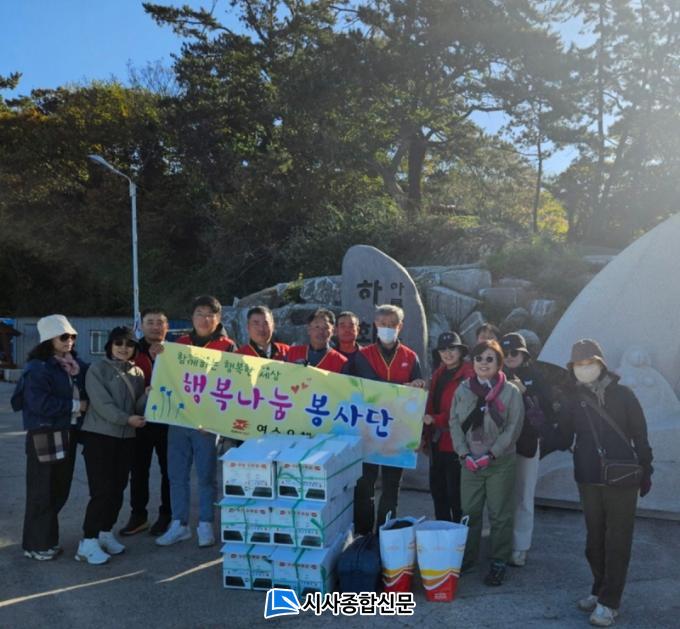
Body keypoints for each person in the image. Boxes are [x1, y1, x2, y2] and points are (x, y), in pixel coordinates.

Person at [545, 339, 653, 627]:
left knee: (618, 539)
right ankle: (599, 588)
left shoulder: (624, 395)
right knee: (594, 540)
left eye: (589, 363)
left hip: (622, 477)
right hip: (588, 477)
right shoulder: (572, 399)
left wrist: (646, 470)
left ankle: (610, 601)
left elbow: (640, 436)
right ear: (572, 368)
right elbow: (563, 438)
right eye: (578, 364)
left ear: (601, 364)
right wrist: (538, 429)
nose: (584, 368)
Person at [157, 295, 236, 548]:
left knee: (206, 476)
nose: (204, 319)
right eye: (199, 313)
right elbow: (167, 377)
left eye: (210, 314)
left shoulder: (228, 347)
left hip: (208, 423)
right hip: (178, 419)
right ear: (192, 317)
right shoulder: (179, 344)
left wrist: (219, 421)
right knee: (177, 475)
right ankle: (179, 524)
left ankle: (205, 524)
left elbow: (234, 386)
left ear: (218, 318)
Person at [449, 339, 524, 586]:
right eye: (479, 358)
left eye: (490, 359)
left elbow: (513, 427)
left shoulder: (511, 392)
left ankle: (499, 561)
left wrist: (491, 455)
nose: (483, 363)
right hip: (469, 462)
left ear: (499, 363)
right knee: (469, 512)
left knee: (499, 514)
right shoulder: (463, 389)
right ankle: (468, 559)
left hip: (499, 462)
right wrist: (463, 454)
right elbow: (453, 422)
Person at [15, 315, 88, 561]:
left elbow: (94, 374)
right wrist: (77, 406)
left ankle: (44, 540)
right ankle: (37, 545)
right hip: (45, 433)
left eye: (72, 336)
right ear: (49, 339)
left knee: (58, 489)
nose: (69, 341)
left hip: (66, 432)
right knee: (42, 491)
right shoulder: (38, 368)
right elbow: (39, 404)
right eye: (63, 337)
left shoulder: (72, 364)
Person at [352, 304, 425, 534]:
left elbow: (418, 394)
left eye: (392, 324)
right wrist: (402, 386)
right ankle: (364, 536)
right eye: (383, 324)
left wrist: (417, 385)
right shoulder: (363, 355)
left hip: (398, 433)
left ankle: (386, 535)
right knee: (365, 487)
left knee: (392, 488)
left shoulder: (410, 357)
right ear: (375, 325)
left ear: (400, 327)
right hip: (368, 431)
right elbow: (357, 386)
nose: (387, 328)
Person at [77, 326, 147, 565]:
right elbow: (102, 404)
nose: (123, 348)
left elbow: (137, 406)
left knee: (118, 488)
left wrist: (149, 394)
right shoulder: (97, 369)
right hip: (100, 437)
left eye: (129, 344)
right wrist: (126, 419)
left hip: (126, 438)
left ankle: (105, 532)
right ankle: (88, 541)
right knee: (102, 490)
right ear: (109, 346)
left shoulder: (137, 372)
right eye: (118, 343)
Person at [500, 332, 552, 568]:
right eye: (505, 353)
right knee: (500, 497)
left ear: (523, 354)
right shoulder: (495, 374)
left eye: (515, 352)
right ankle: (499, 543)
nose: (510, 357)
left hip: (527, 445)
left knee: (523, 496)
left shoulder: (536, 377)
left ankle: (520, 546)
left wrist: (525, 392)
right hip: (499, 447)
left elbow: (548, 411)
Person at [120, 307, 172, 537]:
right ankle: (138, 515)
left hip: (169, 421)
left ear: (167, 327)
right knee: (138, 470)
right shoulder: (132, 349)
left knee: (169, 472)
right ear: (141, 326)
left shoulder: (177, 352)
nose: (155, 327)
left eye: (160, 322)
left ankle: (166, 515)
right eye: (150, 322)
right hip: (140, 420)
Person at [423, 332, 474, 522]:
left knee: (457, 495)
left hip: (458, 444)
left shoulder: (469, 374)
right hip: (437, 442)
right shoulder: (439, 372)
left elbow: (464, 411)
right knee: (438, 492)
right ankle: (442, 533)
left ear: (460, 351)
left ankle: (461, 535)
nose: (447, 353)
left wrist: (435, 419)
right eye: (443, 349)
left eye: (452, 348)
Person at [286, 308, 348, 372]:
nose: (321, 331)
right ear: (309, 329)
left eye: (325, 327)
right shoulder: (292, 353)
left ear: (333, 331)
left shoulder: (341, 361)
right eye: (317, 327)